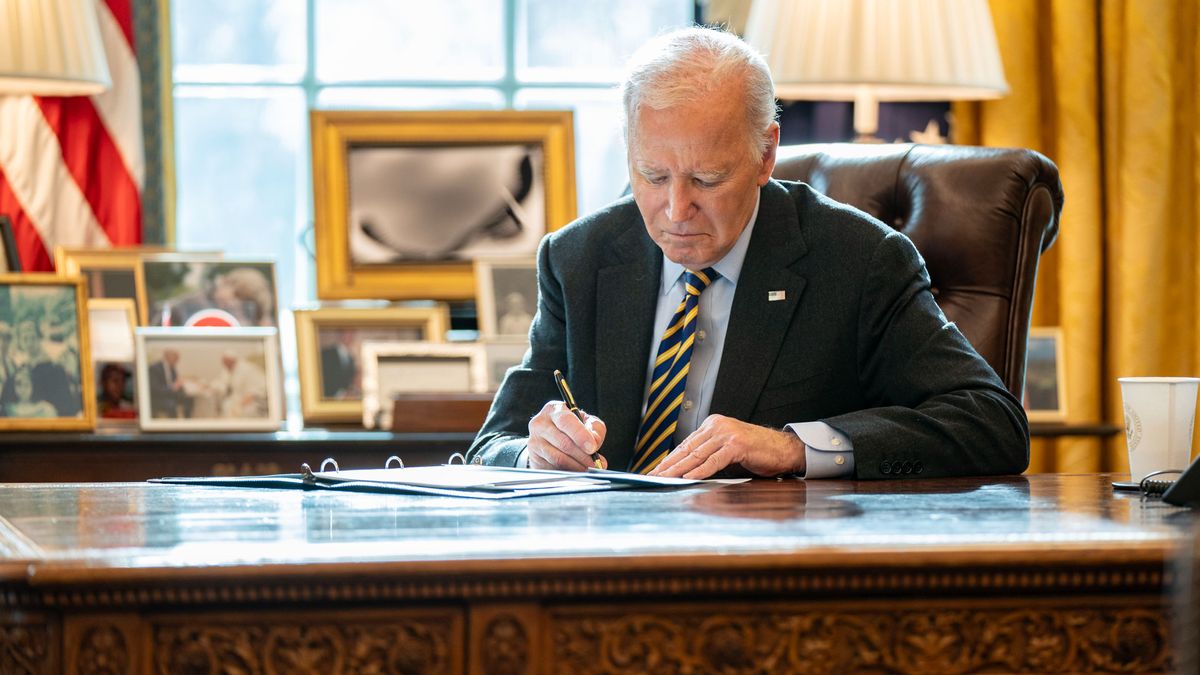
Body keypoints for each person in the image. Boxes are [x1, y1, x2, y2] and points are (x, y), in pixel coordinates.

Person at [467, 27, 1028, 480]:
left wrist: (792, 447)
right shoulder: (579, 258)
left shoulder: (860, 261)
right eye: (653, 175)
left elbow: (991, 424)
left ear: (766, 155)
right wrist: (534, 453)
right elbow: (492, 446)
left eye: (706, 179)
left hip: (771, 572)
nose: (676, 209)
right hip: (610, 568)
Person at [211, 350, 268, 418]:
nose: (224, 364)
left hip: (253, 402)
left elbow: (259, 388)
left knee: (246, 411)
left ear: (232, 360)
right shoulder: (228, 370)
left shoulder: (248, 368)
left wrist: (242, 403)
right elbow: (222, 382)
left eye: (226, 362)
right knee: (227, 406)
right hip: (236, 399)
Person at [147, 349, 192, 418]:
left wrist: (181, 385)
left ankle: (188, 422)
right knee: (171, 404)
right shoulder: (154, 368)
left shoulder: (172, 368)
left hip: (170, 394)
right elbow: (155, 389)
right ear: (167, 357)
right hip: (158, 397)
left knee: (189, 399)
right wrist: (172, 388)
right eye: (176, 358)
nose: (177, 360)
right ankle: (173, 426)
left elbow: (176, 383)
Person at [320, 330, 358, 399]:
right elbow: (324, 378)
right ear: (340, 335)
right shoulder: (327, 354)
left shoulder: (350, 357)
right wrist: (340, 394)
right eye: (348, 334)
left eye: (352, 334)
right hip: (329, 399)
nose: (351, 337)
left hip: (346, 399)